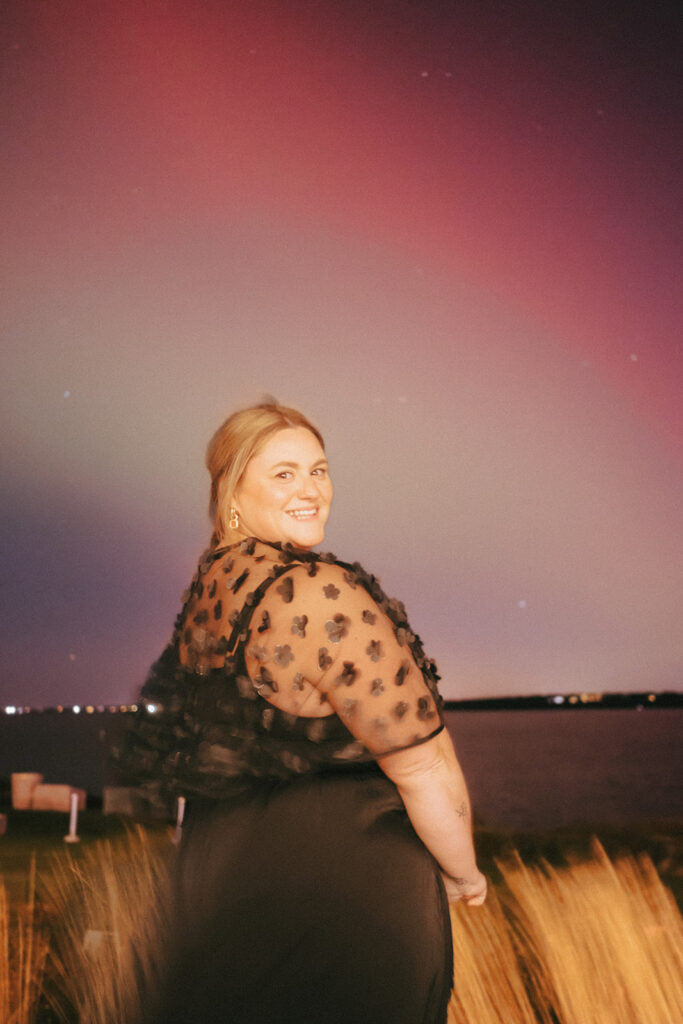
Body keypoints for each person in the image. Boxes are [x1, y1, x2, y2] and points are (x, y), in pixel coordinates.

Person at [121, 401, 486, 1024]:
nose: (312, 490)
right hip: (345, 904)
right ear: (233, 488)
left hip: (221, 890)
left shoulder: (212, 588)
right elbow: (424, 770)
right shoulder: (317, 594)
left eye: (318, 470)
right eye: (284, 474)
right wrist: (463, 872)